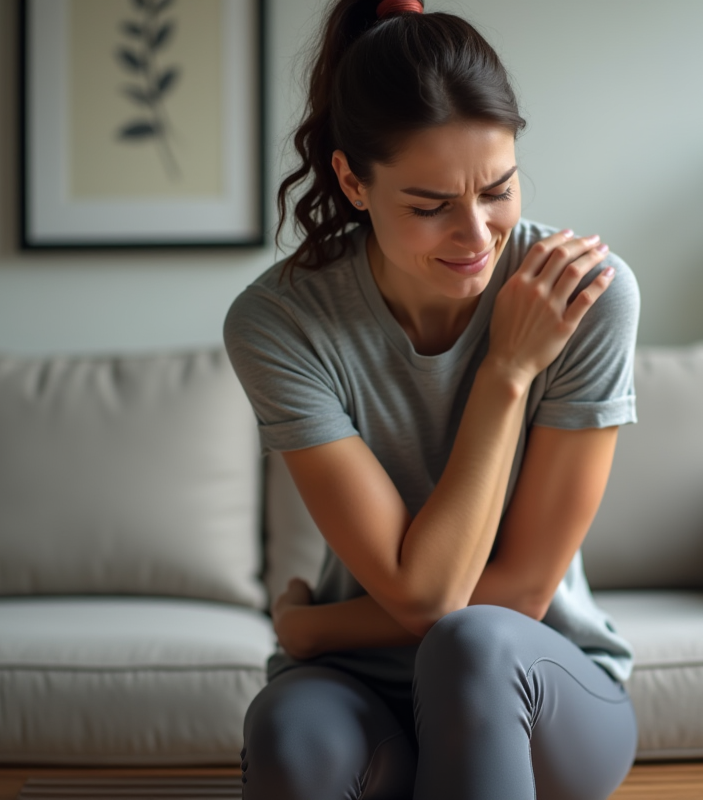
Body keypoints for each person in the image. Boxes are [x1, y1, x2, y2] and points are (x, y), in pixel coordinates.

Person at [223, 1, 640, 797]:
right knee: (289, 735)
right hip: (359, 690)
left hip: (535, 684)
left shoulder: (585, 296)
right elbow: (420, 595)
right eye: (430, 206)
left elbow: (515, 595)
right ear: (353, 182)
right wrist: (505, 373)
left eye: (498, 190)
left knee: (470, 644)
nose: (477, 236)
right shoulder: (279, 323)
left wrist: (316, 626)